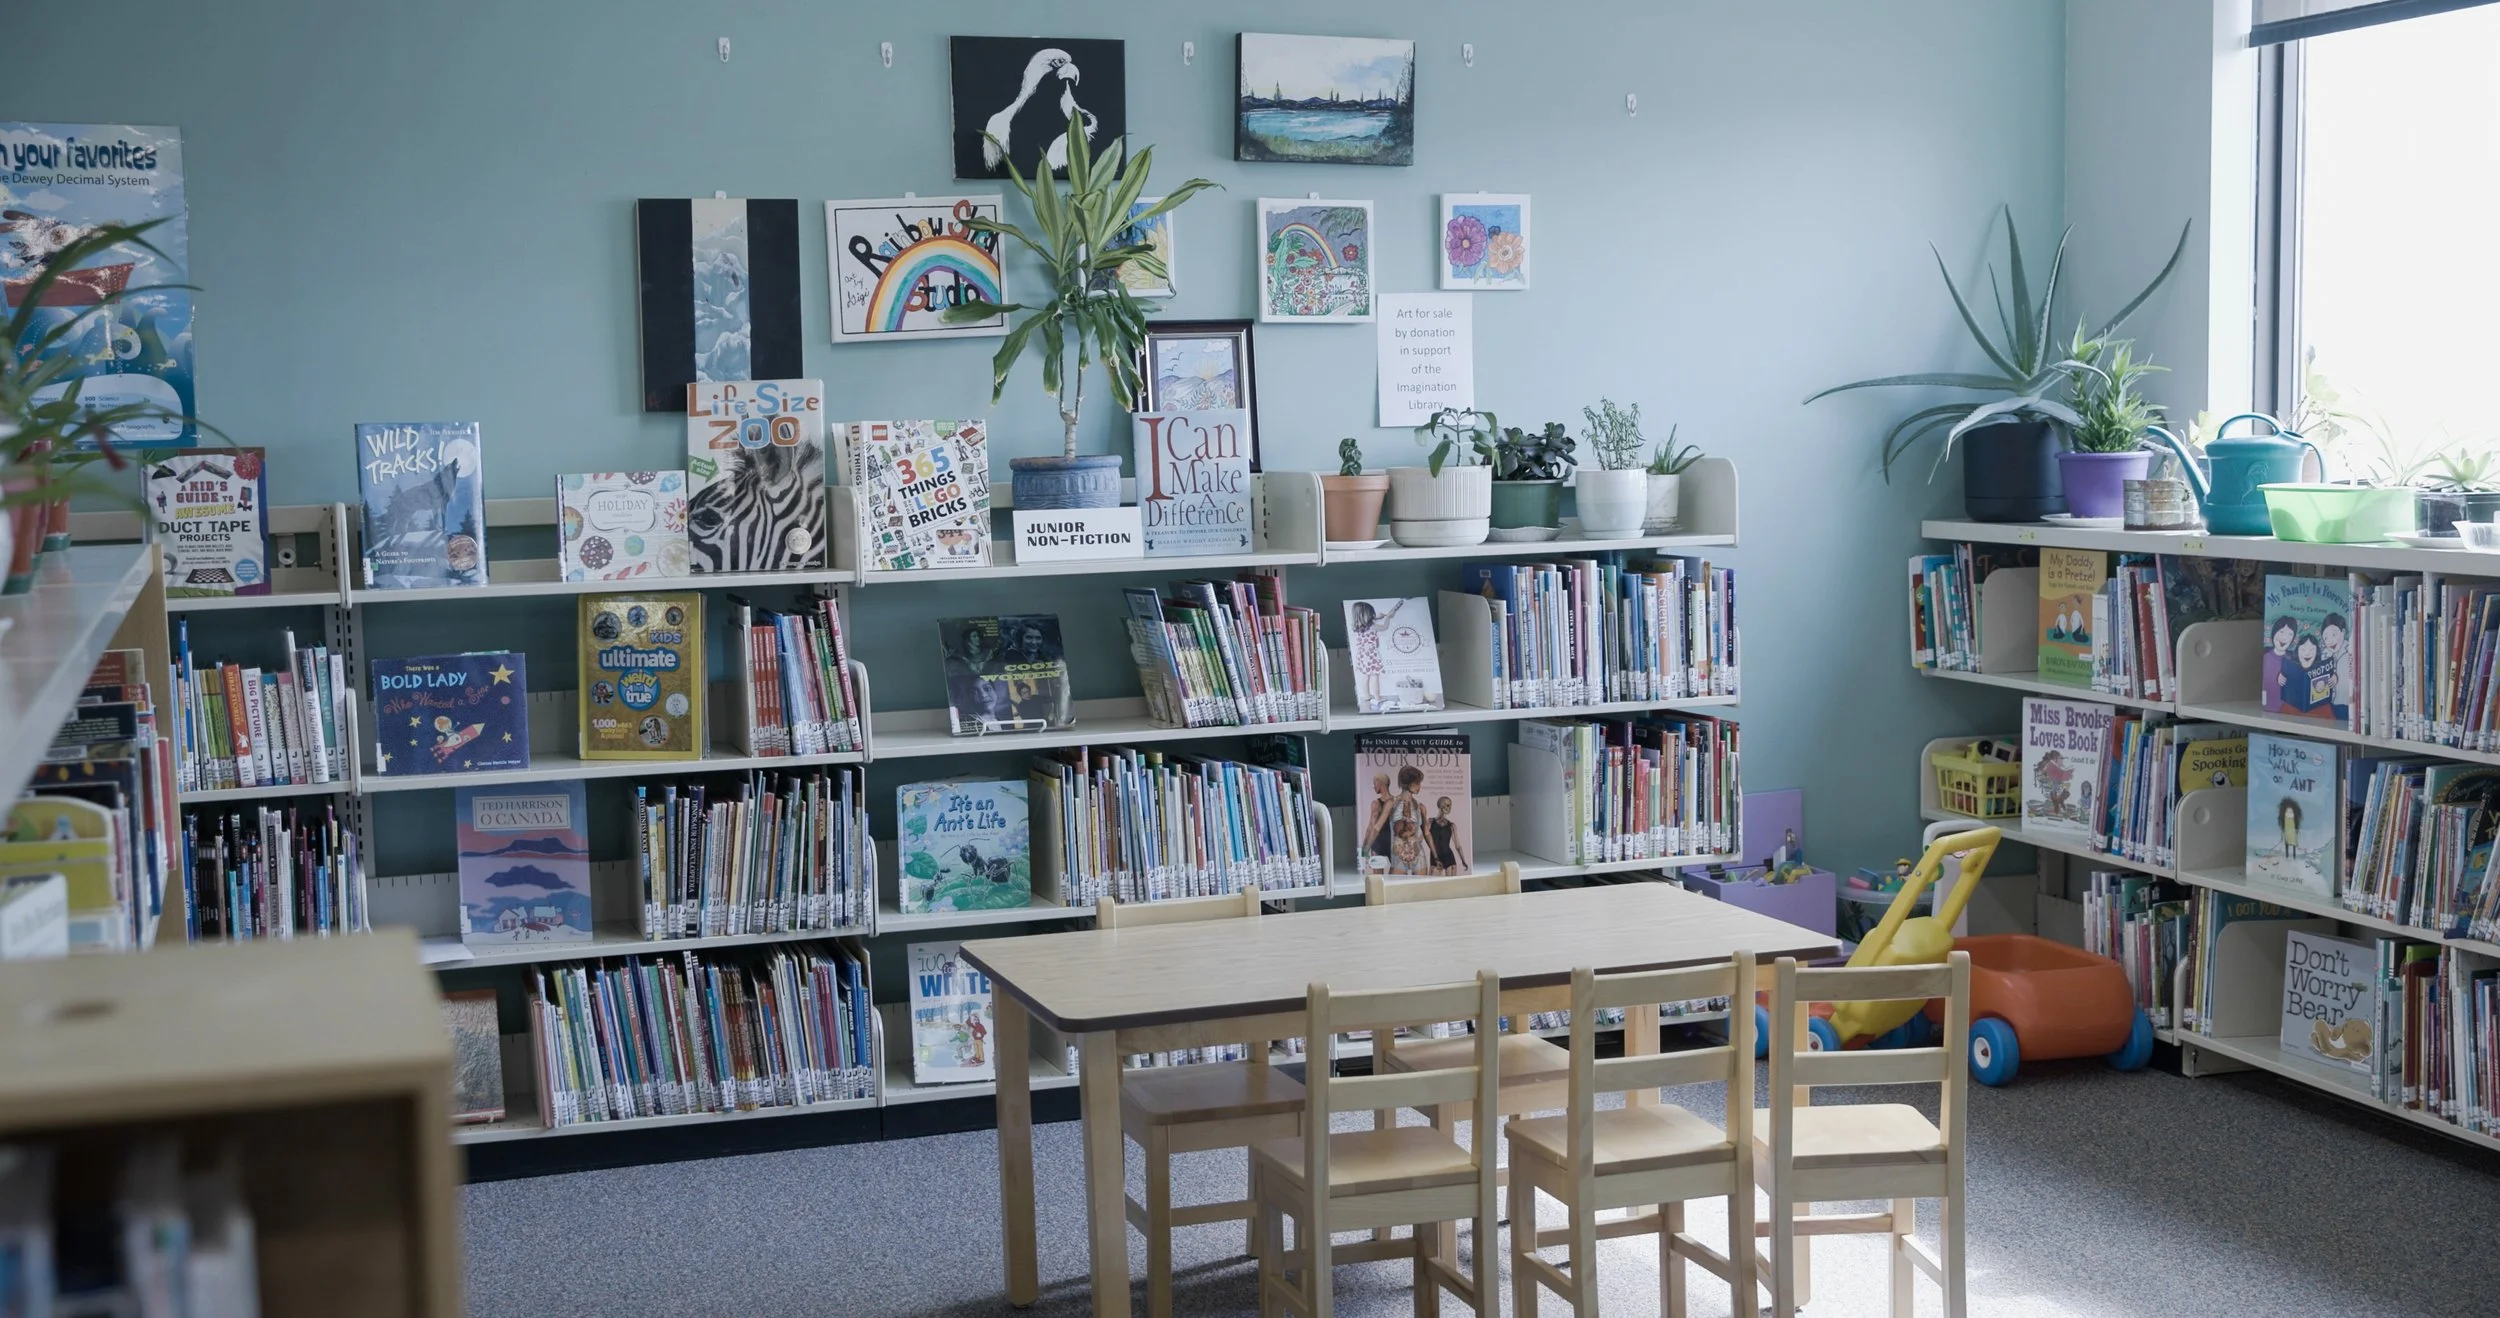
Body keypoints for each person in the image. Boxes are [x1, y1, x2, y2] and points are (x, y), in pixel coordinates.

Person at [1426, 795, 1466, 875]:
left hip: (1449, 858)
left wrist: (1463, 860)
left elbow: (1457, 846)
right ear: (1441, 806)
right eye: (1447, 805)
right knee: (1433, 885)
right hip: (1435, 857)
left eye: (1450, 805)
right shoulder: (1430, 822)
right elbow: (1423, 838)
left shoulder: (1452, 826)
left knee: (1451, 885)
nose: (1449, 807)